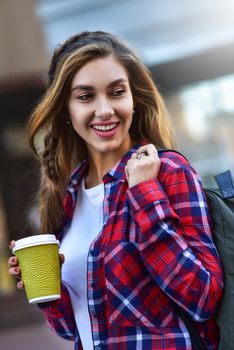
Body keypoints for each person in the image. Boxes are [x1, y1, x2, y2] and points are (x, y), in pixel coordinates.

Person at [8, 31, 223, 349]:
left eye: (116, 92)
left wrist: (146, 196)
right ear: (66, 110)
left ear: (134, 98)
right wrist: (48, 292)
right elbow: (74, 328)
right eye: (85, 96)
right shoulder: (68, 195)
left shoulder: (169, 172)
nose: (104, 109)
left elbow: (202, 298)